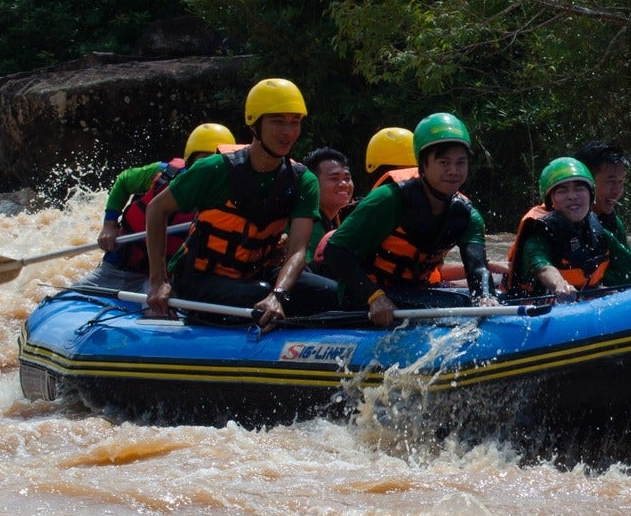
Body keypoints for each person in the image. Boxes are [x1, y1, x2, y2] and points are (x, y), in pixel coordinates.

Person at [142, 78, 338, 328]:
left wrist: (277, 295)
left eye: (295, 122)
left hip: (256, 275)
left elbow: (298, 251)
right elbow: (156, 209)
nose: (288, 132)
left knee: (340, 294)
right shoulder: (213, 169)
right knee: (260, 294)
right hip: (200, 278)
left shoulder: (303, 180)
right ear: (255, 124)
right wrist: (158, 280)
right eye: (278, 122)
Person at [321, 113, 499, 327]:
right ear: (423, 165)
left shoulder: (467, 215)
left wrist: (485, 298)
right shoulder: (389, 199)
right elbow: (335, 252)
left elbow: (477, 267)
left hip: (414, 295)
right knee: (452, 305)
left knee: (476, 300)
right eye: (444, 162)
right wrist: (374, 297)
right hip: (365, 298)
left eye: (461, 163)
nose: (454, 171)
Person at [506, 157, 631, 300]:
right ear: (551, 202)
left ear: (590, 195)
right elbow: (542, 266)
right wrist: (559, 284)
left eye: (579, 188)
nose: (572, 196)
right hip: (533, 315)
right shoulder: (537, 235)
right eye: (562, 191)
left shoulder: (600, 234)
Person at [81, 122, 234, 289]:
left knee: (156, 309)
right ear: (189, 162)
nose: (208, 171)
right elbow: (124, 181)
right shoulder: (163, 173)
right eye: (202, 162)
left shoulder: (231, 198)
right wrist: (109, 224)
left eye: (216, 163)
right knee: (76, 293)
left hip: (164, 278)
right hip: (119, 265)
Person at [573, 140, 631, 249]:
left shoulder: (613, 224)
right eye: (610, 181)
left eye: (621, 182)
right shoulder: (552, 224)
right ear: (586, 181)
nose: (617, 191)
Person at [303, 146, 356, 233]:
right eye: (334, 178)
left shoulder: (336, 221)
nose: (344, 184)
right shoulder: (305, 224)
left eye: (347, 178)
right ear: (313, 182)